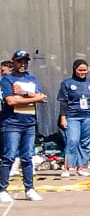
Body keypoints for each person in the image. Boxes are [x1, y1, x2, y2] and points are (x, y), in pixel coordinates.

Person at [0, 51, 46, 202]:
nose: (23, 64)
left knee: (27, 157)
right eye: (20, 61)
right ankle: (2, 189)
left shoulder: (31, 79)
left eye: (25, 61)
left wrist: (23, 93)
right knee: (9, 156)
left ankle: (29, 189)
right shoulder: (7, 79)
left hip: (29, 123)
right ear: (13, 62)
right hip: (12, 123)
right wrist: (33, 97)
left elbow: (42, 97)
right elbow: (10, 101)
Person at [57, 59, 90, 177]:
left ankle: (81, 166)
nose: (82, 72)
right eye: (80, 70)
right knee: (73, 140)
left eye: (84, 70)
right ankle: (67, 167)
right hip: (72, 116)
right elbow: (63, 101)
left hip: (89, 116)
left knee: (85, 142)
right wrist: (63, 117)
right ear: (75, 69)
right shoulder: (67, 83)